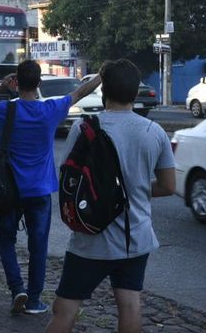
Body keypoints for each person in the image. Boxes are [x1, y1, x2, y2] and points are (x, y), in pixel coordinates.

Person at [45, 59, 175, 333]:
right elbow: (168, 186)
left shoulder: (84, 128)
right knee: (129, 306)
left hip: (89, 238)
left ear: (103, 92)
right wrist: (133, 188)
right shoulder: (155, 133)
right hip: (135, 239)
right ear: (135, 93)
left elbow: (69, 178)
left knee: (65, 308)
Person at [0, 60, 101, 315]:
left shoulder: (6, 110)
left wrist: (0, 89)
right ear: (39, 83)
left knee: (6, 239)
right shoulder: (50, 109)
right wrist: (103, 74)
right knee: (38, 246)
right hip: (40, 191)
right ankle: (33, 300)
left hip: (10, 190)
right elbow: (81, 91)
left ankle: (16, 287)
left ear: (16, 82)